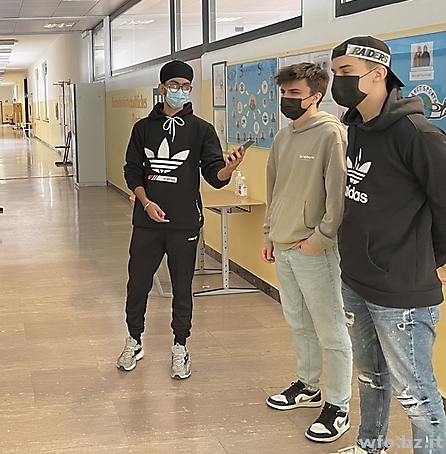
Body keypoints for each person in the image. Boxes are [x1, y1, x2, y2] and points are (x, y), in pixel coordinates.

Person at [330, 36, 446, 454]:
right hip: (356, 278)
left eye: (346, 72)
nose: (338, 81)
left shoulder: (418, 134)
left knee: (416, 395)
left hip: (401, 289)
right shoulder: (357, 127)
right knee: (370, 377)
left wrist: (431, 259)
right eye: (335, 72)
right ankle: (370, 446)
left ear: (378, 73)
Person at [118, 60, 245, 378]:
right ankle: (134, 340)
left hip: (184, 223)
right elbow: (132, 170)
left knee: (182, 287)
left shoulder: (201, 129)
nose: (180, 91)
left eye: (186, 86)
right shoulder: (142, 129)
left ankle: (180, 346)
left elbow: (214, 175)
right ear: (162, 88)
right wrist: (146, 203)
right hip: (147, 222)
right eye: (174, 85)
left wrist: (229, 168)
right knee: (138, 283)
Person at [261, 63, 352, 443]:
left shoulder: (332, 134)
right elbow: (274, 189)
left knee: (332, 330)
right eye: (284, 93)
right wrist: (269, 233)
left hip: (314, 250)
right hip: (283, 246)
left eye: (295, 94)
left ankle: (338, 406)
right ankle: (308, 385)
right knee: (298, 323)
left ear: (316, 96)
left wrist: (321, 239)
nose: (287, 99)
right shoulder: (283, 137)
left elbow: (339, 196)